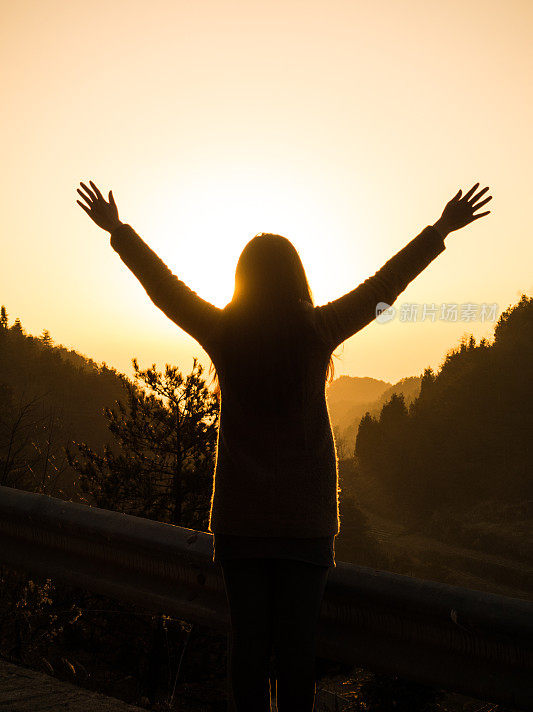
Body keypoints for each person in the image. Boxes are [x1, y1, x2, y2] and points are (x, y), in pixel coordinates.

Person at [76, 179, 491, 711]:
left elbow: (164, 288)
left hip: (241, 521)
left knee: (246, 654)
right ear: (297, 276)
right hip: (306, 525)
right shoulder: (319, 328)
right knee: (298, 657)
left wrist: (118, 231)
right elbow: (385, 285)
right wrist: (439, 230)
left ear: (241, 279)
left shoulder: (224, 331)